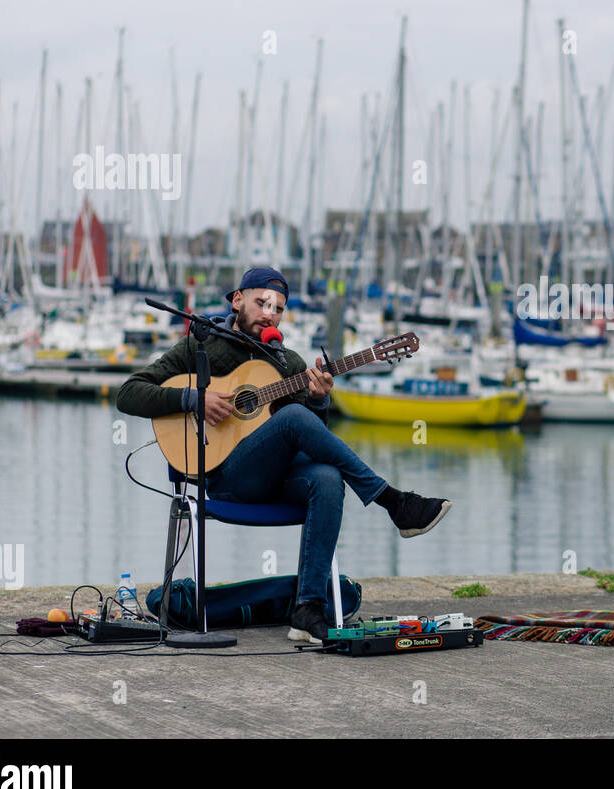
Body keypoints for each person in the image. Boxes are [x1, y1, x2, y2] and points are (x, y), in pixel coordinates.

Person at [115, 267, 451, 644]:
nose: (269, 313)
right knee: (292, 416)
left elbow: (312, 436)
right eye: (262, 302)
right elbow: (128, 393)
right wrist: (193, 398)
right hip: (226, 478)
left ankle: (308, 610)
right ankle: (392, 501)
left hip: (276, 480)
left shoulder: (287, 362)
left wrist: (319, 401)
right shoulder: (201, 346)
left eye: (278, 308)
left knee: (326, 476)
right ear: (237, 299)